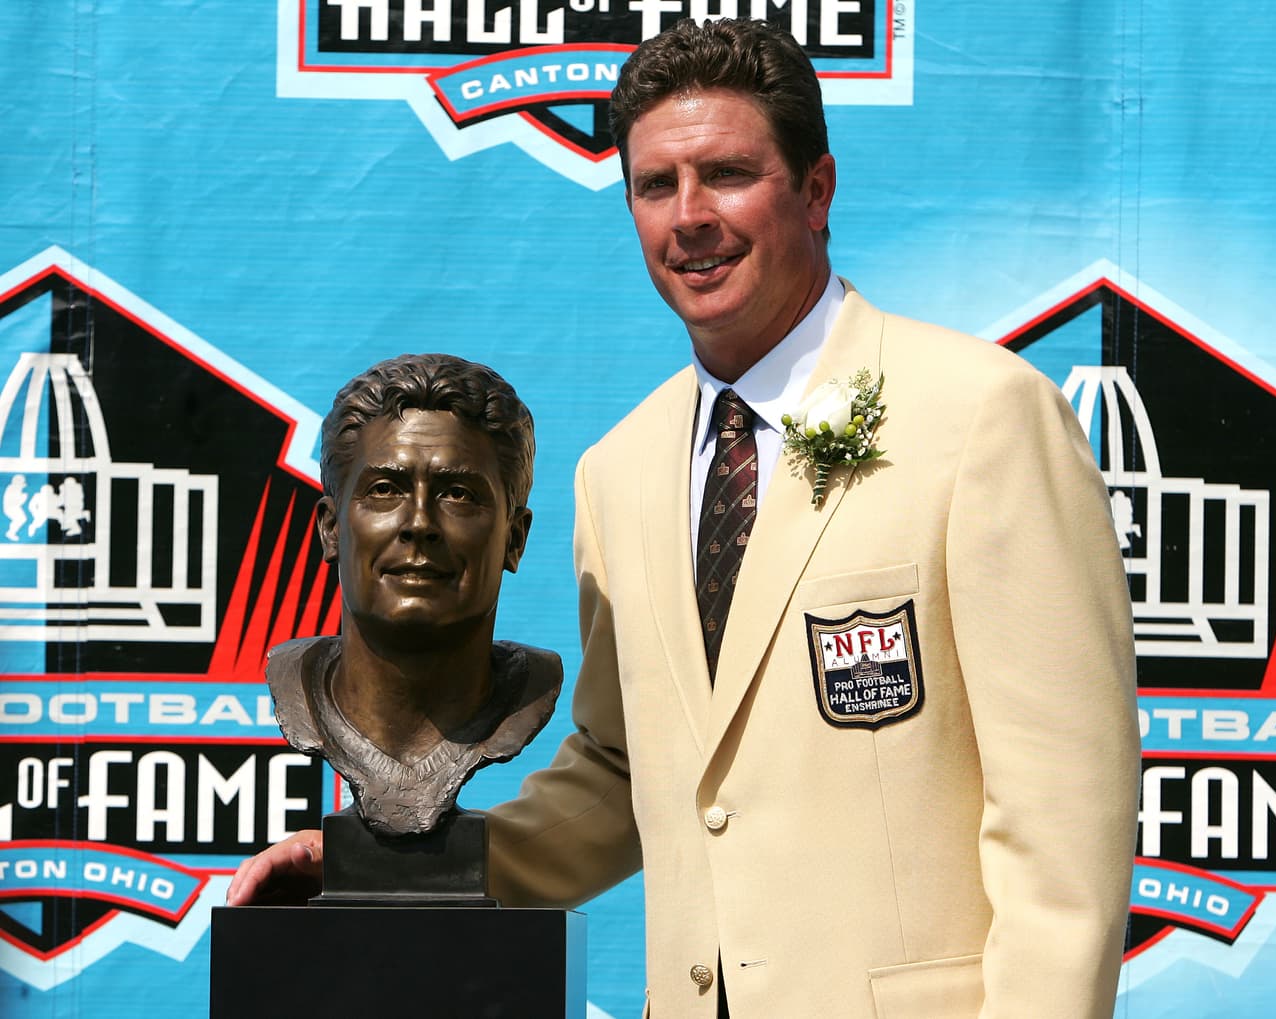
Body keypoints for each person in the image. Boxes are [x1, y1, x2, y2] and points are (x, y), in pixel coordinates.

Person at [228, 19, 1139, 1018]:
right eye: (655, 185)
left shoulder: (979, 415)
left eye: (727, 173)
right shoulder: (618, 467)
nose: (689, 216)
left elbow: (1063, 821)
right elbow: (628, 770)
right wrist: (389, 866)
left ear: (816, 189)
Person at [265, 353, 561, 836]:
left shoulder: (534, 690)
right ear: (330, 529)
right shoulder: (297, 690)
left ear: (514, 539)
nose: (419, 523)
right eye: (385, 489)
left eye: (458, 494)